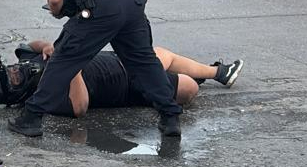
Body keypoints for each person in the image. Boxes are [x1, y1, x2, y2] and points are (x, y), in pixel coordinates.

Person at [8, 0, 182, 139]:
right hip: (134, 0)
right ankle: (170, 118)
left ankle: (31, 118)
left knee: (64, 57)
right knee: (144, 60)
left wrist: (57, 10)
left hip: (102, 7)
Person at [24, 40, 243, 117]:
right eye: (15, 77)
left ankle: (218, 73)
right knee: (189, 88)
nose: (16, 71)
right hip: (126, 86)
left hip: (117, 60)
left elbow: (30, 45)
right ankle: (204, 75)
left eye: (12, 69)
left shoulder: (29, 61)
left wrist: (46, 46)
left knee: (160, 54)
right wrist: (71, 66)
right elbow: (79, 107)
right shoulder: (45, 97)